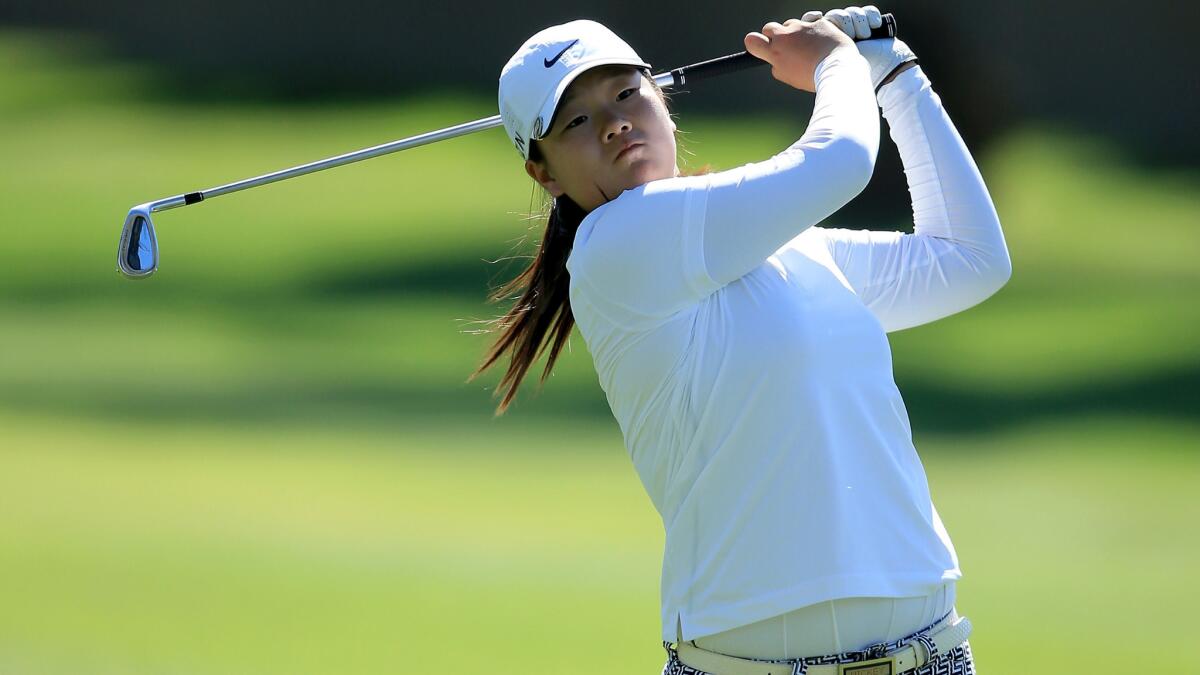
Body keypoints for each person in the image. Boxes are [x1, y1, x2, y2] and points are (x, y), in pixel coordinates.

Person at [472, 6, 1010, 674]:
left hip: (930, 652)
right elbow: (840, 160)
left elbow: (970, 258)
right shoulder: (614, 248)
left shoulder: (794, 247)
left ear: (663, 101)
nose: (612, 123)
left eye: (625, 93)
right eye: (575, 121)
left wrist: (897, 76)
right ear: (544, 173)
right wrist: (837, 61)